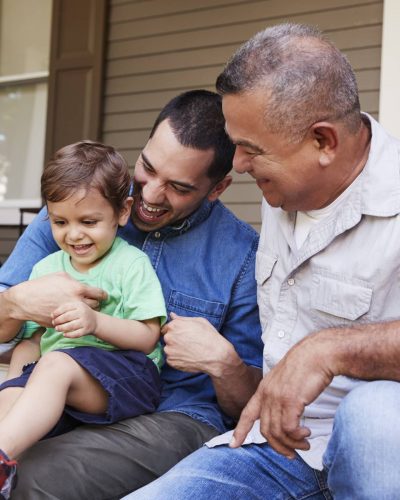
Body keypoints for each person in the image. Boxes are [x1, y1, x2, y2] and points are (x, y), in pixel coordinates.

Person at [125, 23, 400, 499]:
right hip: (276, 449)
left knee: (374, 414)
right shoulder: (286, 192)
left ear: (323, 142)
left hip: (379, 456)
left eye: (252, 150)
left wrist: (328, 349)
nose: (238, 167)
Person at [0, 90, 263, 499]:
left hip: (173, 413)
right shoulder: (78, 208)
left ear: (217, 187)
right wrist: (16, 301)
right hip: (66, 390)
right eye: (148, 167)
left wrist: (224, 364)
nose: (152, 195)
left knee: (35, 473)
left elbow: (250, 405)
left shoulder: (243, 257)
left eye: (178, 187)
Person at [0, 140, 167, 498]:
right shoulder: (47, 268)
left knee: (56, 361)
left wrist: (95, 322)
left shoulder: (130, 264)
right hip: (64, 379)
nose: (73, 234)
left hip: (128, 377)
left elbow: (147, 337)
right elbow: (28, 337)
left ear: (123, 212)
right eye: (60, 221)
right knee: (25, 357)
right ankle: (7, 459)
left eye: (88, 221)